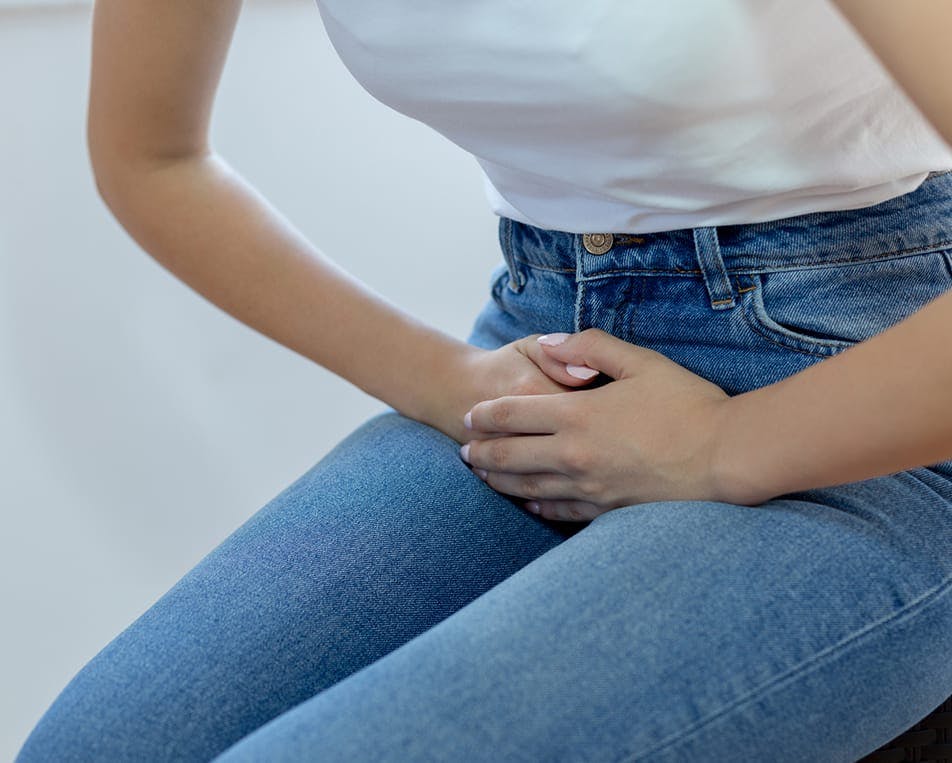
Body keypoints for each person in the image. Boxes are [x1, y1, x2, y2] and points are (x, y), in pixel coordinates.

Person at [16, 1, 952, 760]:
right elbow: (152, 157)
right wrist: (448, 376)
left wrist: (720, 447)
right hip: (548, 330)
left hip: (875, 376)